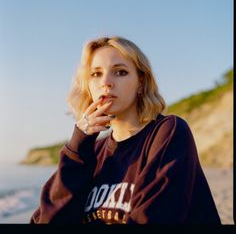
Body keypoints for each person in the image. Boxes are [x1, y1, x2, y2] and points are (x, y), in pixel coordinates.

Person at [30, 36, 221, 224]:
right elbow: (48, 219)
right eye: (95, 74)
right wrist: (77, 146)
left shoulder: (168, 132)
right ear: (88, 86)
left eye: (120, 72)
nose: (106, 82)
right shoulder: (90, 152)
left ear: (141, 82)